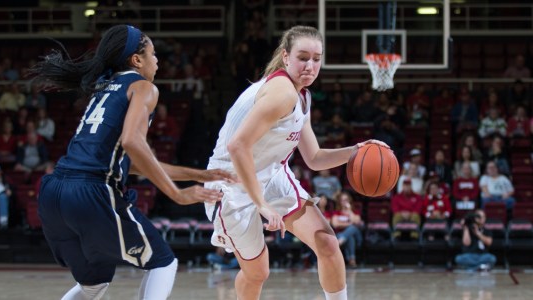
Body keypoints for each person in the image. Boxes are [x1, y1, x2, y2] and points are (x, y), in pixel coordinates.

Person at [30, 25, 232, 300]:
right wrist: (177, 194)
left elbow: (131, 162)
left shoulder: (103, 88)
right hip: (92, 191)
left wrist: (201, 174)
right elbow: (132, 142)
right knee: (163, 263)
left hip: (55, 193)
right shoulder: (143, 87)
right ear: (136, 60)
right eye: (153, 53)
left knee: (94, 286)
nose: (157, 60)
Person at [204, 25, 387, 300]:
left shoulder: (302, 95)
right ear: (286, 57)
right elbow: (237, 146)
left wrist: (357, 150)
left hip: (271, 173)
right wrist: (262, 205)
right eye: (303, 57)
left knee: (326, 242)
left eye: (316, 58)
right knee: (257, 273)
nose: (310, 65)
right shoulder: (282, 92)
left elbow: (313, 158)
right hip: (231, 181)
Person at [331, 192, 363, 268]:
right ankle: (352, 260)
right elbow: (335, 224)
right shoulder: (337, 212)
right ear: (339, 202)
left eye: (346, 200)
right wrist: (350, 223)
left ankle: (340, 241)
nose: (344, 202)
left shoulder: (354, 212)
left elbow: (357, 222)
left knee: (353, 228)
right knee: (350, 236)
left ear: (349, 201)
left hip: (356, 236)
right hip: (340, 235)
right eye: (342, 200)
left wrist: (349, 210)